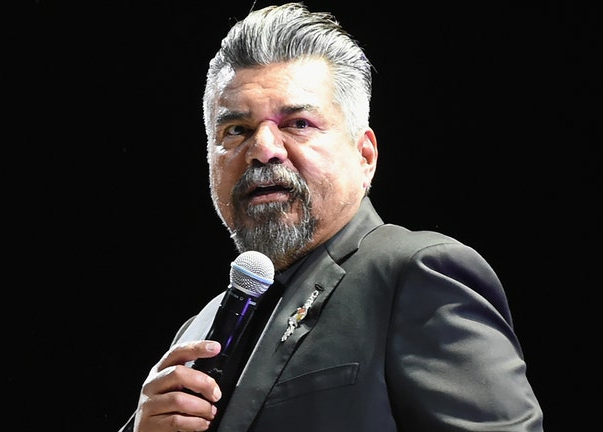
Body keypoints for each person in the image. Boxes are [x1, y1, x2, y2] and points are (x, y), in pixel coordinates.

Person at [119, 2, 544, 431]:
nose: (264, 148)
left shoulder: (416, 273)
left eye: (298, 123)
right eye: (236, 130)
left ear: (365, 156)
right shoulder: (199, 329)